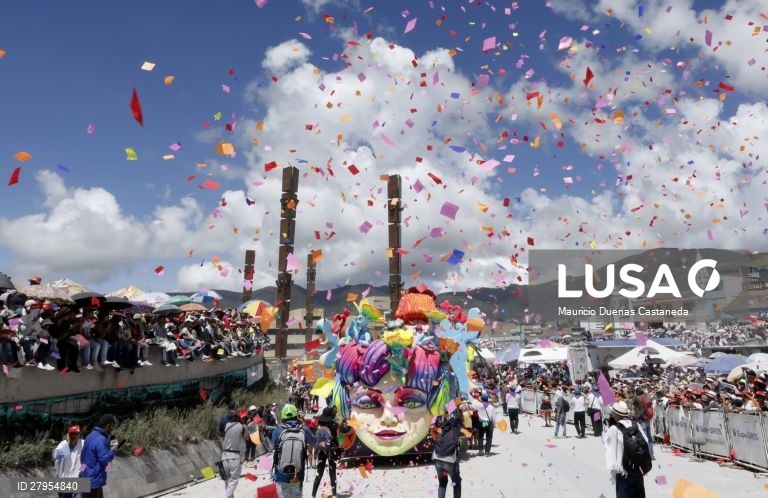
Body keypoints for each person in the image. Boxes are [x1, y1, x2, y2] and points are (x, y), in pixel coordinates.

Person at [603, 401, 649, 498]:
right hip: (638, 468)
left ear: (616, 414)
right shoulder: (635, 424)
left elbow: (609, 449)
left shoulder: (614, 428)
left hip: (623, 471)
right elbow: (646, 440)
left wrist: (613, 472)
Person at [271, 404, 316, 498]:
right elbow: (313, 441)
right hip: (298, 474)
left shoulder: (277, 431)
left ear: (282, 418)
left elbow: (274, 444)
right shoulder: (304, 429)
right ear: (297, 416)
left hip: (280, 474)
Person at [80, 414, 119, 498]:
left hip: (87, 478)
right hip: (94, 482)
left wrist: (83, 472)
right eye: (112, 426)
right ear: (108, 425)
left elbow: (82, 457)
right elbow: (104, 459)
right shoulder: (101, 440)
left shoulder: (90, 436)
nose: (112, 429)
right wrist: (113, 450)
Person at [430, 410, 463, 498]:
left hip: (437, 458)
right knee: (456, 482)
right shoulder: (456, 428)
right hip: (449, 460)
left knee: (442, 483)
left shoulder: (441, 426)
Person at [221, 410, 249, 498]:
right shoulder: (242, 427)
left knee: (227, 481)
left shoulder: (227, 426)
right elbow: (247, 438)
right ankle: (228, 496)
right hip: (234, 457)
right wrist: (246, 427)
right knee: (233, 481)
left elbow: (221, 436)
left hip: (224, 456)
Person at [311, 407, 339, 498]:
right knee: (332, 472)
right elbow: (337, 438)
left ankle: (313, 494)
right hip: (331, 451)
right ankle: (334, 493)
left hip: (321, 451)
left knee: (319, 472)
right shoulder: (334, 424)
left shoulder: (319, 424)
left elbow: (316, 438)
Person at [53, 425, 84, 498]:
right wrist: (68, 445)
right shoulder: (63, 444)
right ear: (68, 435)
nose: (73, 436)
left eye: (75, 434)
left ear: (79, 434)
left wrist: (81, 471)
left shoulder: (83, 444)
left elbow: (87, 460)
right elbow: (55, 455)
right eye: (71, 434)